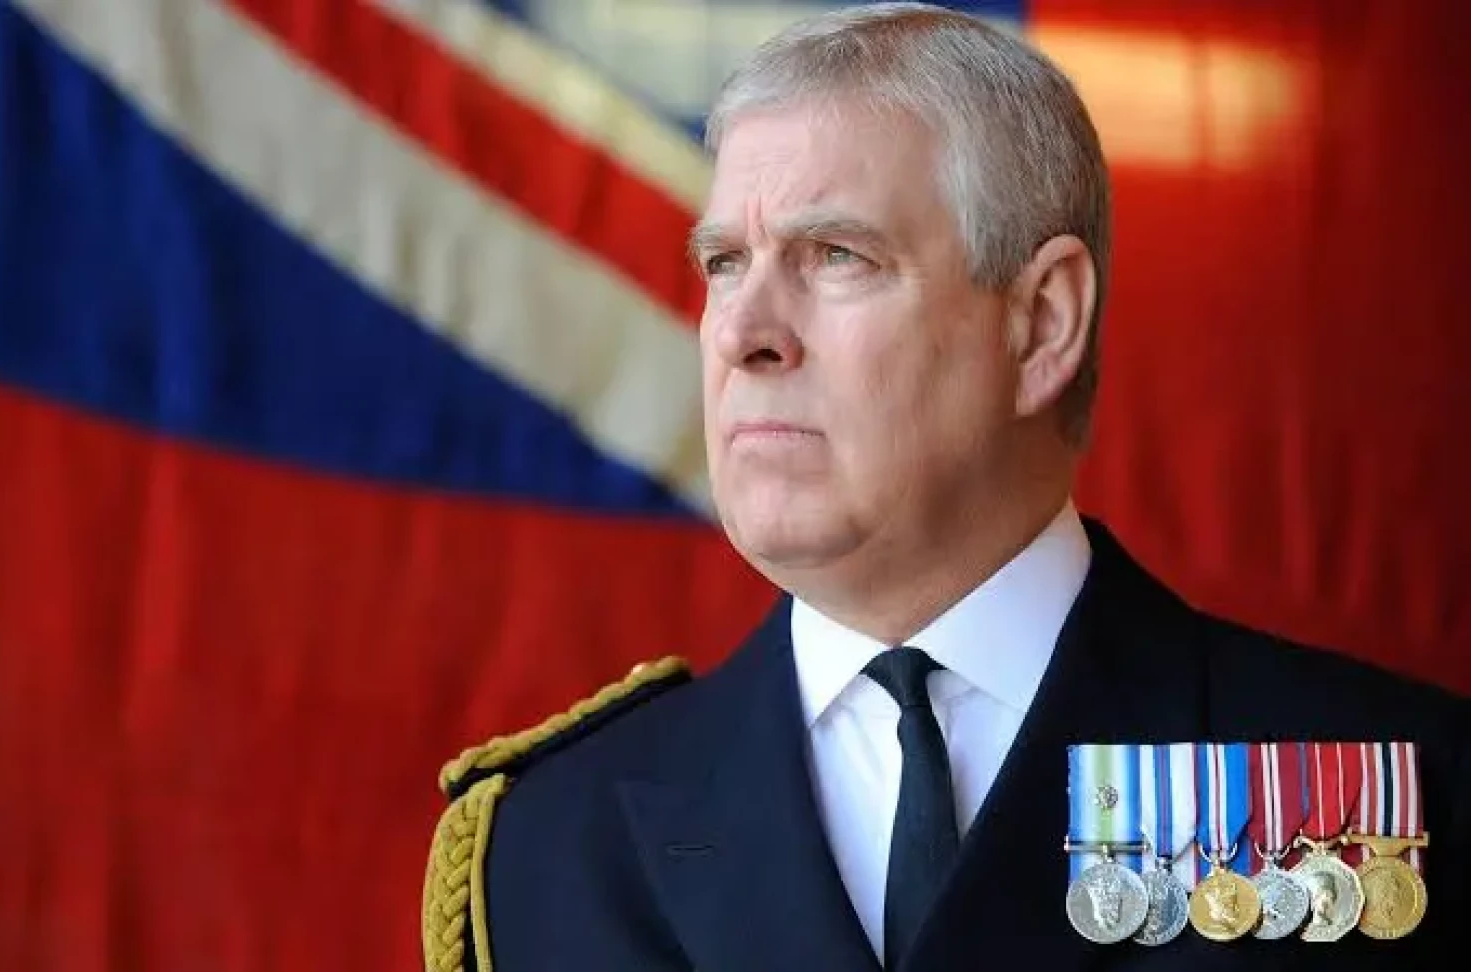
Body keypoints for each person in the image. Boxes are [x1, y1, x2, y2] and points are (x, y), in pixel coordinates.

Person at [421, 5, 1471, 970]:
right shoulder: (549, 843)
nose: (741, 334)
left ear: (1042, 323)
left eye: (836, 254)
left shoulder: (1414, 792)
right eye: (725, 263)